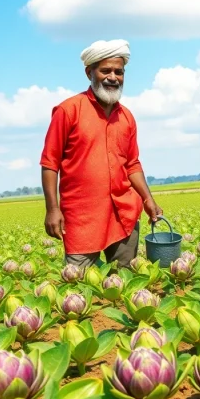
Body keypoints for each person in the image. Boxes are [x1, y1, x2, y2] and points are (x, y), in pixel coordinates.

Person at [39, 39, 163, 269]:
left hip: (123, 213)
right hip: (82, 217)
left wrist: (148, 199)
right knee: (78, 285)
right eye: (105, 70)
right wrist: (52, 209)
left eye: (119, 71)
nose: (113, 77)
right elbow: (50, 163)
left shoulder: (126, 117)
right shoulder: (68, 110)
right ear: (89, 73)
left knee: (125, 282)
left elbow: (133, 164)